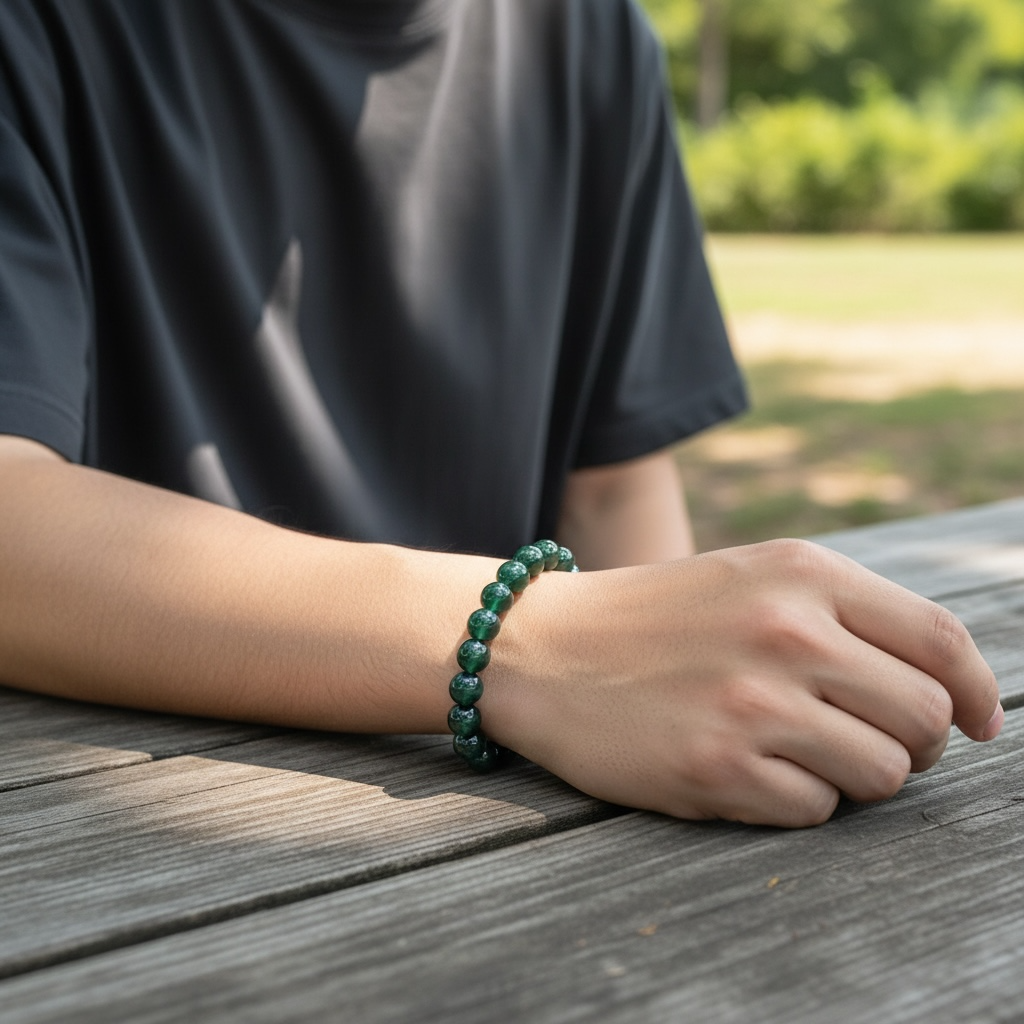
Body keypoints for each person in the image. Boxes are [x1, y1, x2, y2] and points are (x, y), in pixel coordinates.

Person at [0, 0, 1002, 828]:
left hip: (488, 823)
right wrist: (533, 646)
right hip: (128, 830)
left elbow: (612, 477)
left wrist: (694, 696)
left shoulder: (586, 32)